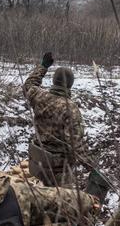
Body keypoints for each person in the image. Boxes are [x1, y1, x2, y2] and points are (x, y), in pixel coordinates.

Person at [21, 52, 90, 187]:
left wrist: (43, 66)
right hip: (58, 171)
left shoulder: (38, 96)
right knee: (64, 203)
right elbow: (76, 146)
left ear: (54, 81)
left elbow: (29, 84)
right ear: (70, 85)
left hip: (37, 162)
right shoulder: (71, 109)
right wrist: (92, 167)